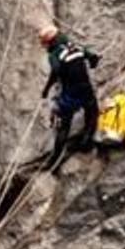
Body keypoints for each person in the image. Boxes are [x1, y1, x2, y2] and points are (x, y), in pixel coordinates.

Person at [38, 24, 101, 171]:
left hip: (70, 94)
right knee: (92, 112)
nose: (43, 46)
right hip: (85, 89)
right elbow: (93, 57)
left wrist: (46, 89)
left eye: (44, 43)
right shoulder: (76, 47)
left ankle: (54, 160)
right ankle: (86, 141)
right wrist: (93, 63)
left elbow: (55, 71)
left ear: (50, 42)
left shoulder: (54, 55)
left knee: (63, 128)